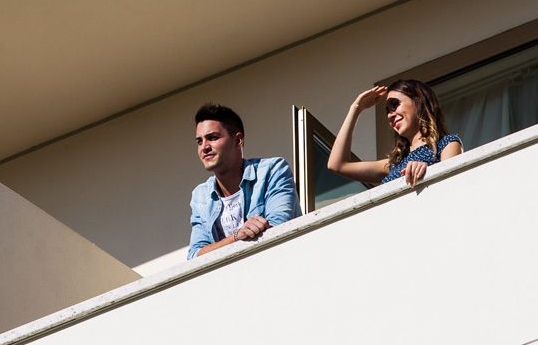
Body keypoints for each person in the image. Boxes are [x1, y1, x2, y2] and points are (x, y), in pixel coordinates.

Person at [187, 102, 298, 259]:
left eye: (212, 138)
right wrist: (236, 237)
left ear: (238, 141)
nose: (204, 147)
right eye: (199, 141)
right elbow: (195, 255)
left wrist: (222, 245)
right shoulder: (200, 196)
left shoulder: (272, 170)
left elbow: (278, 227)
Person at [327, 79, 462, 189]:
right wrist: (356, 109)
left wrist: (428, 171)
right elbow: (337, 165)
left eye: (395, 104)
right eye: (388, 111)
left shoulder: (447, 144)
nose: (391, 115)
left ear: (419, 102)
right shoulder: (394, 165)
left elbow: (450, 188)